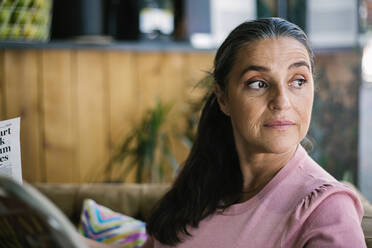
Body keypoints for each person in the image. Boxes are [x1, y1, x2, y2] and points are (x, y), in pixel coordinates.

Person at [85, 17, 366, 248]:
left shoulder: (326, 209)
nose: (282, 101)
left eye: (298, 81)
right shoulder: (197, 184)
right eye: (258, 83)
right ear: (223, 98)